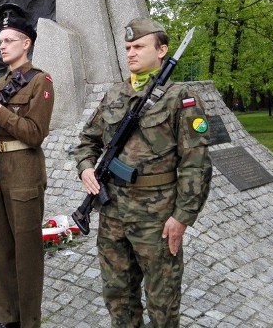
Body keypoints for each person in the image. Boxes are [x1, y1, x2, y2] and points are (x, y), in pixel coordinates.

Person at [74, 17, 213, 327]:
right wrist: (86, 169)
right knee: (117, 296)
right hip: (112, 214)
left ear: (161, 50)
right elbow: (87, 142)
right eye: (127, 48)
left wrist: (182, 217)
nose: (131, 53)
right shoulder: (114, 95)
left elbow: (197, 162)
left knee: (162, 303)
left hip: (158, 218)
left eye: (139, 46)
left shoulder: (181, 98)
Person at [0, 8, 55, 328]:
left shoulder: (40, 82)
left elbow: (35, 134)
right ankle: (7, 318)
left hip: (24, 174)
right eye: (0, 41)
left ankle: (29, 323)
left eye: (9, 40)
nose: (2, 46)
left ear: (27, 44)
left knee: (26, 255)